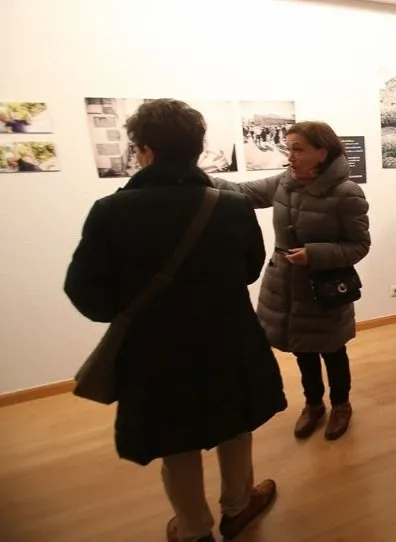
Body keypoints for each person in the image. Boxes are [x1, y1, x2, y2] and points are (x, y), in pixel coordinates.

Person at [63, 98, 285, 542]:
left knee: (175, 439)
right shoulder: (231, 207)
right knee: (234, 424)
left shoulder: (110, 211)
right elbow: (248, 269)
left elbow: (86, 292)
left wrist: (129, 310)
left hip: (155, 348)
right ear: (197, 149)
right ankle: (237, 507)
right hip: (229, 339)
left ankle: (193, 528)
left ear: (145, 150)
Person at [211, 121, 371, 441]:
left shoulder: (347, 193)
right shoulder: (284, 182)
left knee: (332, 350)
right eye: (289, 149)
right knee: (302, 349)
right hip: (286, 285)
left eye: (298, 149)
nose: (290, 156)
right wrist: (194, 176)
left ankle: (341, 405)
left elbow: (359, 246)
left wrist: (314, 254)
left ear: (322, 152)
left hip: (325, 289)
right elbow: (243, 193)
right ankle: (313, 405)